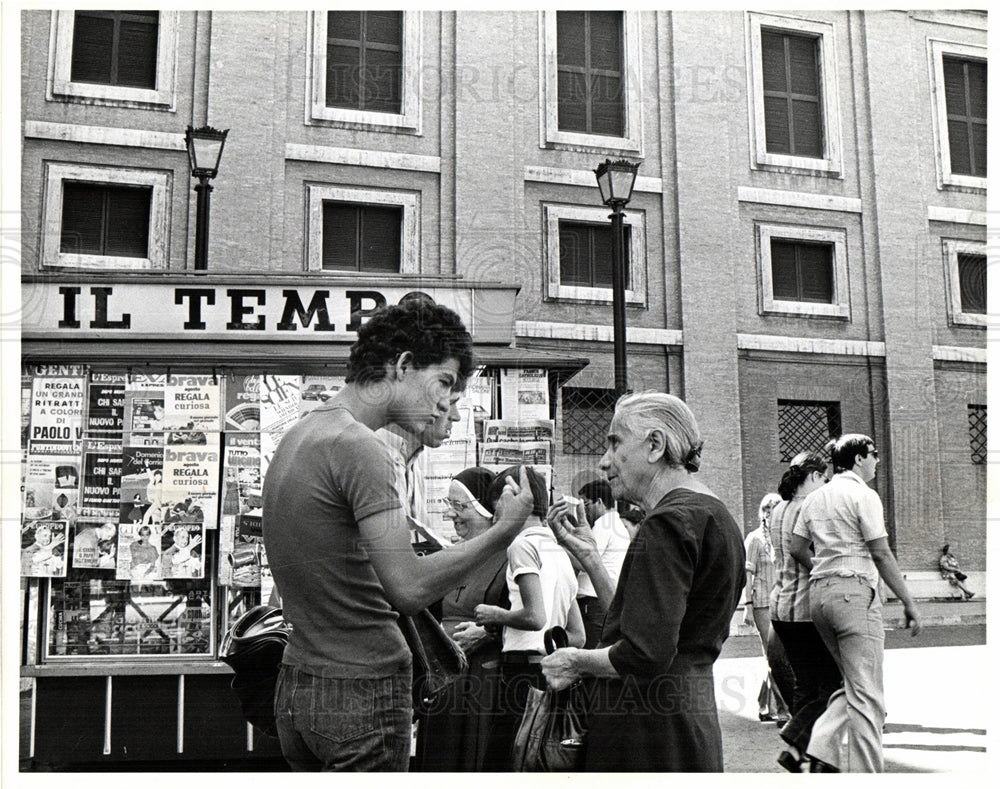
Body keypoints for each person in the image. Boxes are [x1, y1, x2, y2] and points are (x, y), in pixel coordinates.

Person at [262, 299, 534, 772]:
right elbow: (408, 588)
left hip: (300, 683)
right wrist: (504, 529)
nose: (445, 401)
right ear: (404, 365)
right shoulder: (360, 448)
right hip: (360, 688)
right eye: (443, 382)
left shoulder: (303, 433)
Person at [543, 392, 745, 771]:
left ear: (654, 445)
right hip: (685, 717)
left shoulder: (668, 522)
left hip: (646, 731)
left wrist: (574, 661)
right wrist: (590, 557)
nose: (604, 462)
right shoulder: (713, 514)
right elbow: (647, 621)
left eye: (615, 442)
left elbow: (643, 652)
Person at [790, 434, 922, 772]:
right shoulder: (864, 495)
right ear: (859, 458)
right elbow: (880, 551)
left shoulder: (815, 498)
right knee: (868, 696)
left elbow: (796, 548)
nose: (877, 460)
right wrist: (908, 601)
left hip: (819, 596)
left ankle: (818, 746)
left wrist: (823, 570)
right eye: (874, 454)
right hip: (855, 594)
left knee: (853, 682)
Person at [475, 465, 585, 771]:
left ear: (512, 496)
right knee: (537, 762)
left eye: (496, 504)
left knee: (505, 762)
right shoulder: (558, 549)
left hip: (520, 676)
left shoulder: (521, 545)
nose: (495, 515)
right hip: (550, 673)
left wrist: (495, 615)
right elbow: (577, 635)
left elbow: (536, 617)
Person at [414, 466, 508, 772]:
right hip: (444, 683)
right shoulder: (452, 555)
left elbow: (538, 618)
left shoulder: (510, 555)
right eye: (449, 505)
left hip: (480, 683)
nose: (451, 515)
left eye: (459, 506)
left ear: (483, 507)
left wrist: (489, 632)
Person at [768, 452, 843, 773]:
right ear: (812, 476)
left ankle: (807, 757)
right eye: (823, 478)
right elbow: (808, 554)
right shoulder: (809, 508)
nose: (825, 484)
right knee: (832, 684)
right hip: (805, 610)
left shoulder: (778, 509)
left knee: (805, 685)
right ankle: (799, 740)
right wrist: (824, 571)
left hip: (779, 607)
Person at [744, 493, 791, 723]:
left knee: (776, 656)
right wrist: (747, 606)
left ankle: (764, 706)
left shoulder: (782, 538)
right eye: (769, 508)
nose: (773, 512)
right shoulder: (754, 539)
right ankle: (783, 710)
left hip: (782, 601)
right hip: (762, 603)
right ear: (763, 512)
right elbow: (747, 575)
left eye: (777, 508)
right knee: (774, 656)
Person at [574, 480, 631, 648]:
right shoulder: (617, 525)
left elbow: (585, 561)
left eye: (586, 504)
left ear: (599, 502)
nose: (584, 510)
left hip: (592, 601)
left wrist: (562, 545)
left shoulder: (603, 526)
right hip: (604, 599)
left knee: (590, 650)